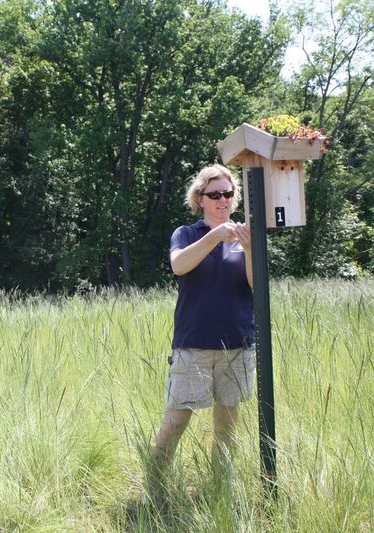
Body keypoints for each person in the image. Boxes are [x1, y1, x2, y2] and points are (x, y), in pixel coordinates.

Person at [147, 164, 255, 501]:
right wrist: (214, 236)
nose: (222, 199)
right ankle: (153, 490)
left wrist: (251, 249)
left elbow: (256, 286)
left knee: (226, 425)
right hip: (193, 344)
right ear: (200, 199)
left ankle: (219, 489)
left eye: (228, 193)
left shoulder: (245, 236)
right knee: (177, 419)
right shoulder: (187, 233)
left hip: (237, 345)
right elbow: (179, 265)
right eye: (215, 194)